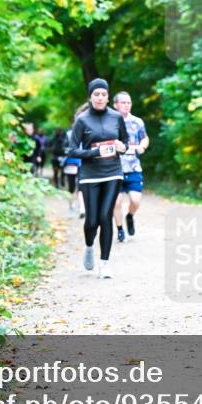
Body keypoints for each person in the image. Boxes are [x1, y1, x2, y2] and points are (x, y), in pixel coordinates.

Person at [68, 80, 129, 279]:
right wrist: (95, 152)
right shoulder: (82, 120)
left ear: (108, 97)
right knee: (92, 220)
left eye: (103, 94)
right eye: (96, 94)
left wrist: (122, 147)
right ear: (90, 97)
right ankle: (88, 247)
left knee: (105, 216)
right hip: (89, 175)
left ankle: (105, 263)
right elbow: (73, 150)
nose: (100, 97)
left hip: (113, 171)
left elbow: (125, 142)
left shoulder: (116, 117)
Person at [112, 91, 149, 243]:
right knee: (116, 202)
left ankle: (130, 216)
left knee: (136, 201)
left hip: (133, 167)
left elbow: (145, 138)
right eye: (123, 102)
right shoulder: (110, 121)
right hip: (115, 168)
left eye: (129, 102)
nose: (126, 105)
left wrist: (142, 146)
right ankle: (120, 230)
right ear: (115, 105)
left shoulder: (137, 122)